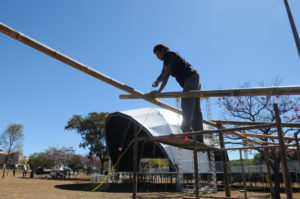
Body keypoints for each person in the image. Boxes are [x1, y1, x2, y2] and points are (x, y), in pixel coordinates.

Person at [150, 44, 203, 141]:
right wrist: (157, 81)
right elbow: (163, 74)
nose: (158, 57)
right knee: (195, 109)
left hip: (190, 79)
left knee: (186, 104)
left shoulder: (169, 55)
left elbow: (166, 76)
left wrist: (159, 91)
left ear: (163, 50)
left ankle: (187, 132)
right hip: (195, 77)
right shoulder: (169, 58)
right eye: (156, 55)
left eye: (158, 54)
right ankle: (199, 136)